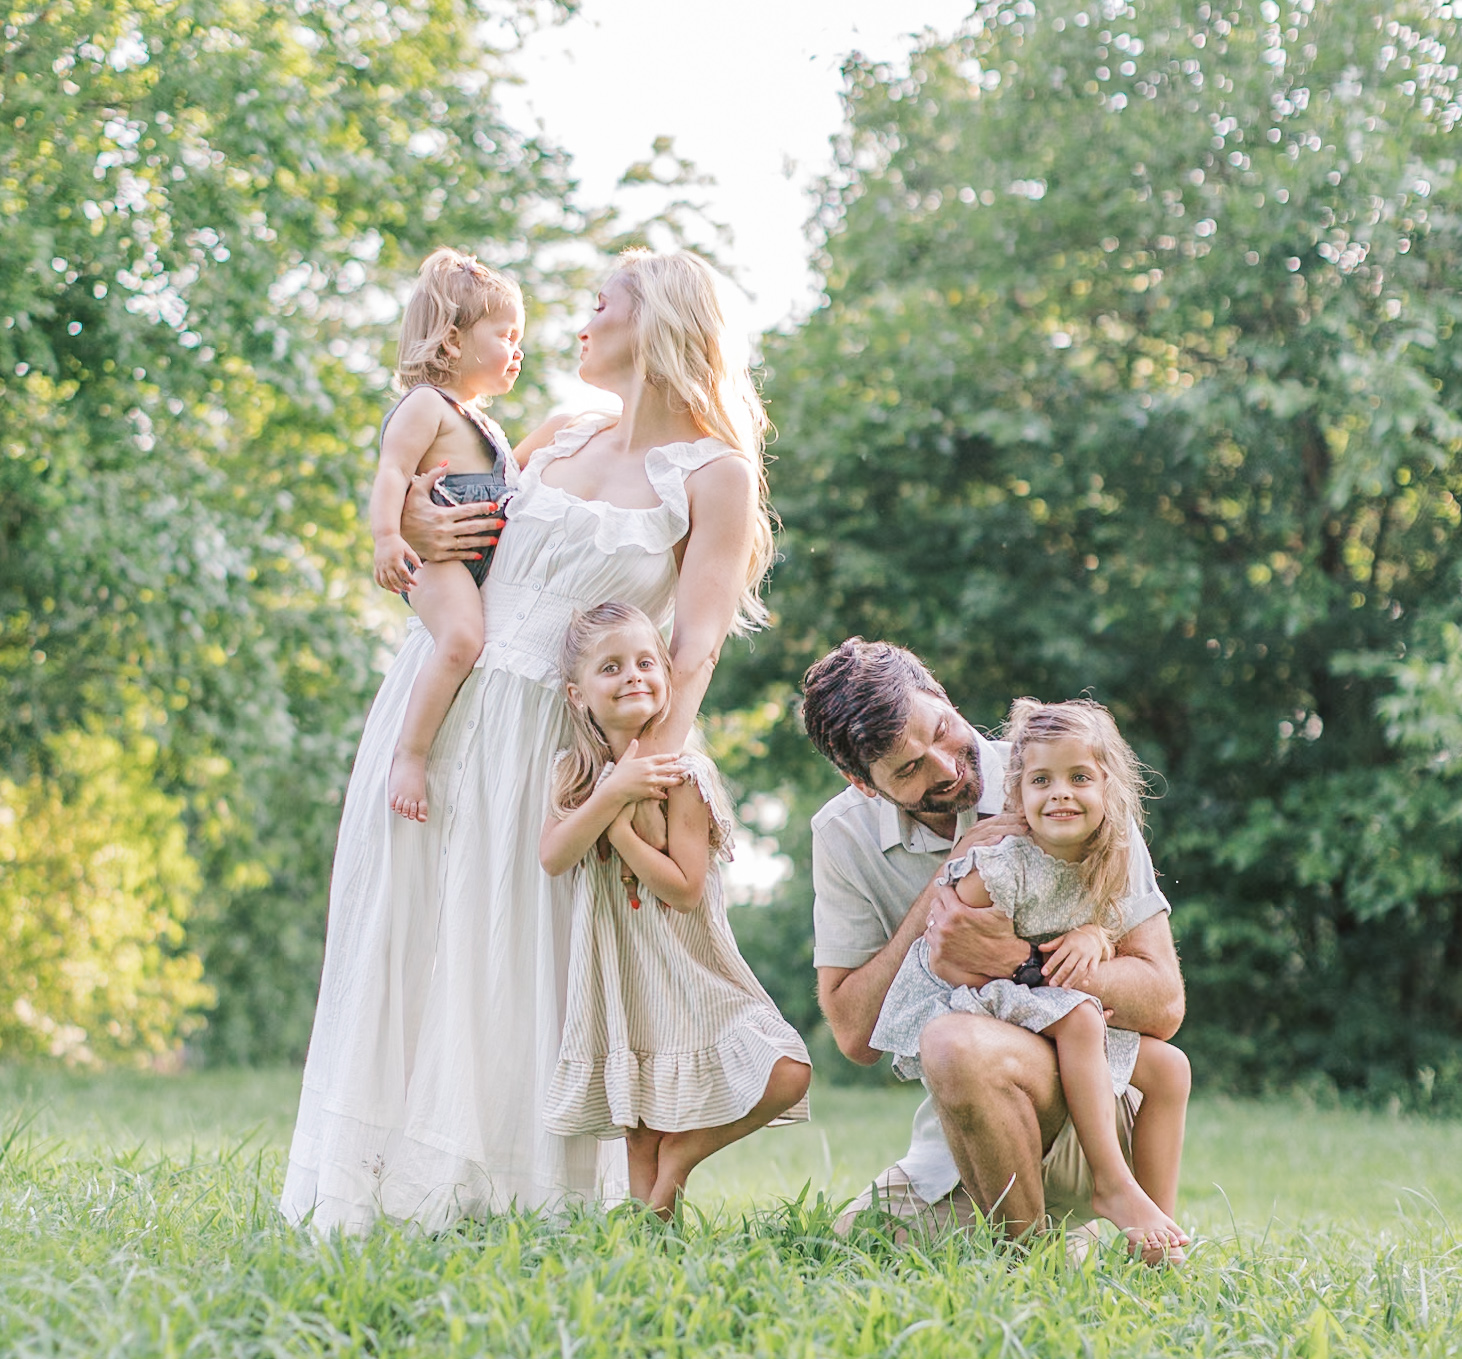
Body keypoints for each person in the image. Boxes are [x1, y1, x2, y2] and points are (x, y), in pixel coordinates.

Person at [281, 248, 774, 1232]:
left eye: (601, 304)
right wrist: (416, 519)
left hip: (556, 746)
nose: (578, 323)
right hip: (442, 712)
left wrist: (639, 775)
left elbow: (694, 645)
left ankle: (513, 1199)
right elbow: (440, 521)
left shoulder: (713, 474)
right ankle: (379, 1194)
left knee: (519, 957)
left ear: (662, 320)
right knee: (417, 938)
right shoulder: (548, 441)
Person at [801, 638, 1185, 1244]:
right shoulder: (842, 835)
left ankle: (1032, 1257)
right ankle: (1045, 1241)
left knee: (953, 1042)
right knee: (853, 1242)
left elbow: (1164, 1004)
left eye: (942, 730)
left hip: (1096, 1109)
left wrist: (1019, 962)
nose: (946, 767)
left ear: (943, 696)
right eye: (908, 769)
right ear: (863, 782)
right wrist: (947, 879)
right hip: (964, 1136)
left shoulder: (1063, 775)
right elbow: (854, 1034)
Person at [539, 601, 810, 1215]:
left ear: (666, 676)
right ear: (578, 694)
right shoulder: (574, 774)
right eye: (611, 667)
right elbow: (554, 856)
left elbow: (684, 889)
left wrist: (622, 832)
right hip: (622, 966)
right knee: (641, 1117)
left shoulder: (684, 773)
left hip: (688, 961)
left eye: (645, 662)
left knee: (786, 1068)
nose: (632, 675)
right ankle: (651, 1233)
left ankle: (681, 1159)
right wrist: (611, 794)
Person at [369, 250, 525, 823]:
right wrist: (389, 537)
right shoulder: (426, 406)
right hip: (440, 565)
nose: (518, 349)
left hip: (476, 565)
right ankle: (409, 756)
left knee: (473, 641)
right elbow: (391, 472)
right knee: (461, 641)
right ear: (454, 340)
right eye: (505, 335)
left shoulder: (484, 423)